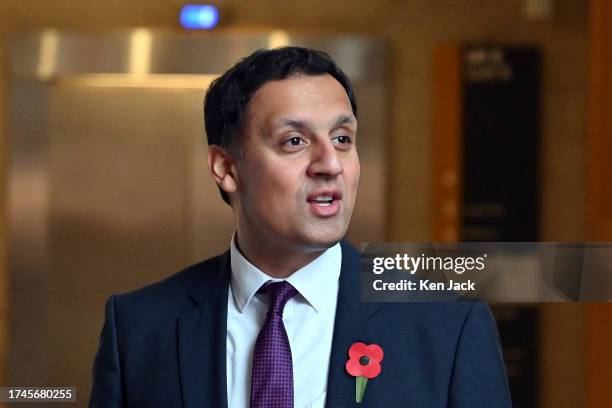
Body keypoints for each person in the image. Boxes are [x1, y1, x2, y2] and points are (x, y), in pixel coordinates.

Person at [89, 46, 511, 408]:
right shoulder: (140, 328)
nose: (330, 164)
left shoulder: (447, 327)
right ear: (226, 167)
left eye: (343, 139)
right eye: (295, 141)